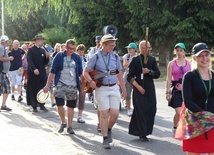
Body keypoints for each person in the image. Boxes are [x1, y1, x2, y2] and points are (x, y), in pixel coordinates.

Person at [83, 34, 126, 149]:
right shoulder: (95, 57)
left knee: (115, 113)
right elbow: (85, 72)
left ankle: (109, 129)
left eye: (114, 45)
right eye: (110, 46)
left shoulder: (115, 57)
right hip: (101, 88)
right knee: (104, 113)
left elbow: (119, 73)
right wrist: (91, 81)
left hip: (113, 87)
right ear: (103, 45)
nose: (113, 47)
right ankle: (105, 138)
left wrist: (123, 89)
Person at [43, 39, 82, 134]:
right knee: (59, 104)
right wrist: (47, 85)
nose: (71, 50)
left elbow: (81, 72)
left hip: (72, 85)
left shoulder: (77, 57)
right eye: (69, 48)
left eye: (73, 48)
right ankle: (63, 122)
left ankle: (69, 126)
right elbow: (52, 72)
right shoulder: (59, 56)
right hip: (60, 83)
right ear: (65, 47)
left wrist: (85, 85)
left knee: (71, 106)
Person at [181, 43, 214, 155]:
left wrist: (211, 116)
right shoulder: (189, 76)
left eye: (207, 55)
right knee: (194, 152)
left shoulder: (213, 76)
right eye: (201, 56)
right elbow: (188, 101)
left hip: (212, 121)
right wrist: (205, 115)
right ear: (194, 58)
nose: (204, 59)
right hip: (194, 122)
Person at [127, 40, 160, 142]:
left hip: (149, 89)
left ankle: (147, 131)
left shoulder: (152, 59)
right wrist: (138, 87)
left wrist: (149, 71)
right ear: (141, 49)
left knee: (151, 109)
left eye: (149, 48)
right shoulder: (136, 60)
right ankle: (142, 134)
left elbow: (157, 74)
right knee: (140, 111)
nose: (148, 50)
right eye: (146, 48)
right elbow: (129, 77)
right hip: (138, 89)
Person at [165, 43, 191, 135]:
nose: (179, 52)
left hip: (186, 90)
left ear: (184, 51)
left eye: (181, 50)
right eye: (177, 50)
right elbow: (168, 78)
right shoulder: (171, 63)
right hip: (175, 90)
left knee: (185, 112)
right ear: (175, 51)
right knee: (179, 111)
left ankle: (179, 127)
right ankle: (176, 127)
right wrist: (167, 92)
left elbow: (191, 77)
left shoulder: (189, 63)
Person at [26, 35, 49, 112]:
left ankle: (42, 104)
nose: (41, 41)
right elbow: (29, 60)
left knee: (42, 88)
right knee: (33, 89)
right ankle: (34, 106)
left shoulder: (42, 50)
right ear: (36, 41)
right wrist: (34, 69)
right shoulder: (31, 50)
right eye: (40, 40)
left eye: (42, 40)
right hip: (33, 73)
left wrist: (47, 57)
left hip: (42, 72)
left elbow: (45, 62)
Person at [88, 35, 102, 131]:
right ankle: (100, 122)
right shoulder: (93, 51)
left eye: (100, 41)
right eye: (97, 41)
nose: (98, 43)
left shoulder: (110, 52)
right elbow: (90, 63)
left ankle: (104, 122)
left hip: (105, 79)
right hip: (95, 77)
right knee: (98, 103)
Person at [123, 43, 137, 116]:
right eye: (128, 48)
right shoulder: (126, 56)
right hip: (128, 75)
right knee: (128, 93)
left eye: (130, 48)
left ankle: (137, 108)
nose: (129, 50)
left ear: (134, 49)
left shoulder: (138, 57)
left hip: (136, 76)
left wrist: (130, 64)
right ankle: (129, 108)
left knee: (137, 93)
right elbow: (125, 66)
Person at [0, 35, 14, 111]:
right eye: (7, 41)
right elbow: (0, 58)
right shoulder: (1, 47)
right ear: (4, 41)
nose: (7, 43)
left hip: (3, 72)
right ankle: (3, 104)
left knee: (6, 88)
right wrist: (9, 58)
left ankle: (3, 105)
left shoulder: (2, 48)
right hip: (1, 72)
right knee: (5, 88)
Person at [76, 44, 87, 123]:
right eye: (80, 52)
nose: (81, 54)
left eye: (82, 52)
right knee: (71, 97)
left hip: (83, 80)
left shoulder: (85, 59)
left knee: (82, 97)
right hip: (73, 80)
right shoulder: (74, 58)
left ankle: (80, 115)